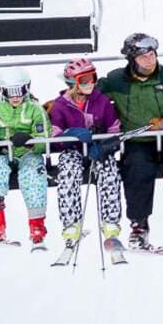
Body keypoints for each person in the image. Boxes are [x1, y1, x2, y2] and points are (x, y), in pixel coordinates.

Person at [99, 31, 163, 249]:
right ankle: (139, 225)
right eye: (143, 56)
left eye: (152, 54)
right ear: (132, 60)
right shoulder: (117, 81)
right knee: (137, 169)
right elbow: (88, 97)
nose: (150, 59)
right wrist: (62, 102)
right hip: (139, 140)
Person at [46, 57, 123, 257]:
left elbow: (114, 128)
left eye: (93, 78)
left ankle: (111, 223)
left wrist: (106, 145)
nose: (90, 84)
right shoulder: (61, 106)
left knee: (109, 170)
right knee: (68, 172)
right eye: (84, 80)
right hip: (73, 151)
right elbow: (55, 136)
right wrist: (71, 135)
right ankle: (71, 225)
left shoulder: (102, 101)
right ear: (73, 83)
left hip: (99, 149)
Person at [0, 67, 49, 245]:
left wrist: (31, 141)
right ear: (2, 91)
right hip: (4, 153)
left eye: (20, 91)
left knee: (32, 174)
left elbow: (44, 136)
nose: (16, 97)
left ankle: (37, 225)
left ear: (27, 89)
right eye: (10, 92)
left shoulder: (35, 110)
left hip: (29, 153)